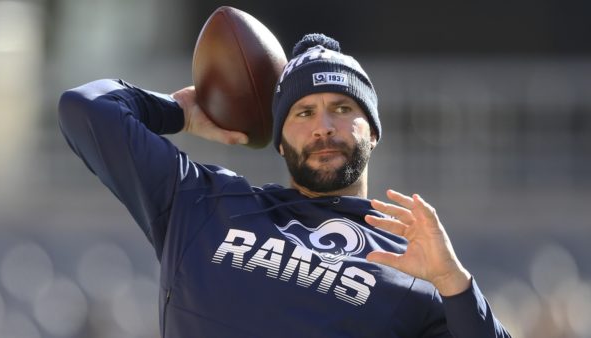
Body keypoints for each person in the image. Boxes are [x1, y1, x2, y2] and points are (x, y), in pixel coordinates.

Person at [58, 33, 512, 338]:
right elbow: (84, 109)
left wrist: (453, 283)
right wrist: (177, 112)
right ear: (278, 141)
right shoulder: (205, 202)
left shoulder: (413, 266)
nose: (323, 127)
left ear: (372, 131)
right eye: (303, 112)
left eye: (341, 107)